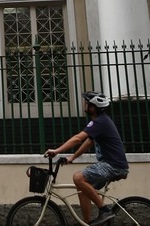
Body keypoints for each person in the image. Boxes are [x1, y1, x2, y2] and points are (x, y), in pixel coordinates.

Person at [45, 91, 129, 225]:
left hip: (113, 165)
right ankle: (87, 223)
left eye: (86, 103)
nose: (84, 104)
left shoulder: (99, 122)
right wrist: (72, 157)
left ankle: (105, 210)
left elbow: (78, 138)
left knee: (78, 178)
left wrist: (57, 151)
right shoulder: (101, 122)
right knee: (82, 188)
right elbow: (88, 142)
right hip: (112, 164)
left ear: (92, 108)